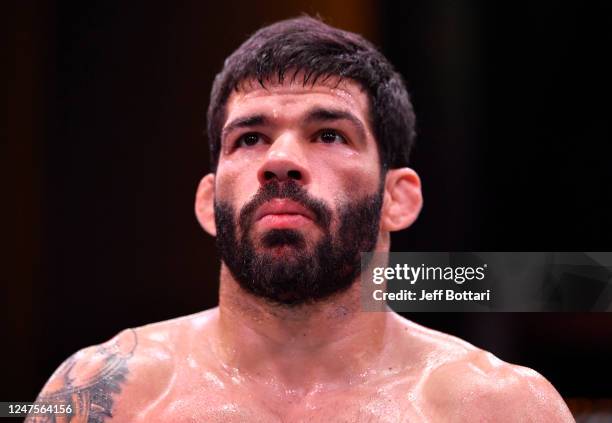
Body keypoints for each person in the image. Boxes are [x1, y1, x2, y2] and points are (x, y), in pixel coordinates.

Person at [28, 16, 574, 422]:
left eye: (329, 134)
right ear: (208, 202)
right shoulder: (110, 397)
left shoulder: (498, 407)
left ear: (397, 198)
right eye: (250, 138)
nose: (279, 160)